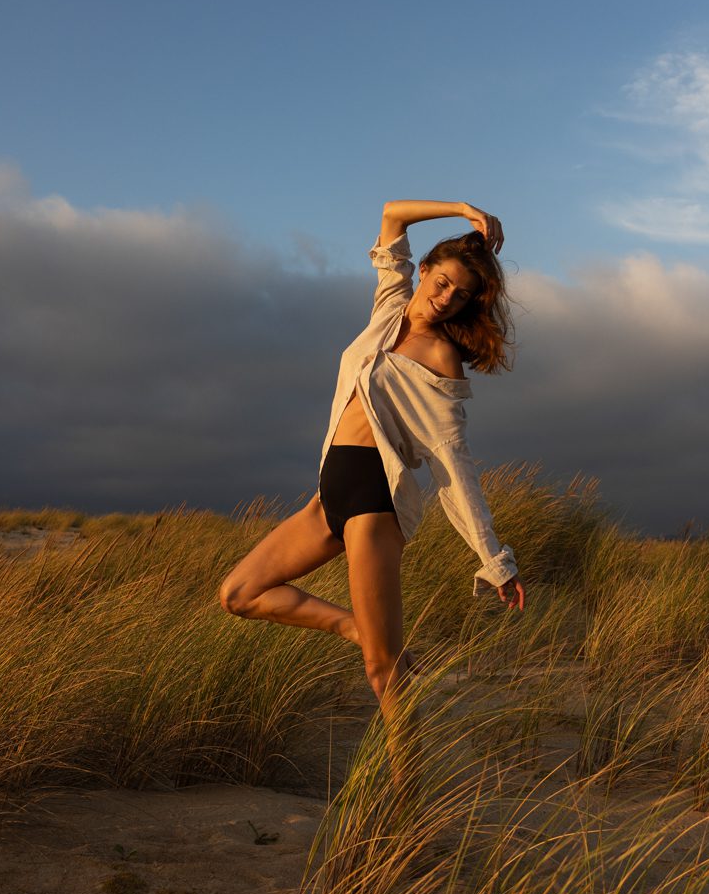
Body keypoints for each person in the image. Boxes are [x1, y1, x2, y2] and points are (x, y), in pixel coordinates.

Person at [218, 198, 525, 794]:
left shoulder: (440, 360)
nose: (444, 298)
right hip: (327, 497)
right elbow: (391, 218)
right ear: (427, 272)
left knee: (384, 672)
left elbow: (454, 469)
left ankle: (405, 788)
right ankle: (356, 627)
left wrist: (496, 561)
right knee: (239, 593)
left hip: (373, 506)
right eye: (441, 282)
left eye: (459, 294)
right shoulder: (388, 309)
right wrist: (461, 208)